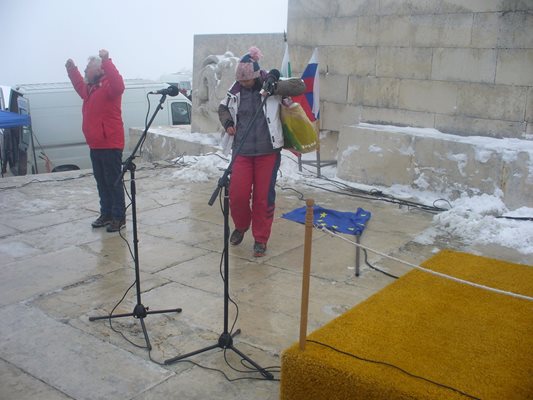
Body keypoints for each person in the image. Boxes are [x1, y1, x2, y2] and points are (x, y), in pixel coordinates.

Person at [218, 46, 305, 257]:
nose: (244, 84)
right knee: (237, 195)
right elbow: (222, 108)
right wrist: (228, 122)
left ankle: (261, 238)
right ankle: (241, 226)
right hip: (242, 152)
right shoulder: (236, 89)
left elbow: (299, 86)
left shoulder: (270, 85)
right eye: (241, 81)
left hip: (267, 152)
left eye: (247, 81)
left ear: (256, 76)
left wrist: (275, 85)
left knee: (262, 197)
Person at [65, 49, 126, 232]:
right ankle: (106, 214)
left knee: (113, 182)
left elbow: (119, 85)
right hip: (96, 144)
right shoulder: (90, 88)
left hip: (110, 144)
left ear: (98, 70)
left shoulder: (109, 86)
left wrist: (107, 60)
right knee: (102, 182)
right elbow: (78, 85)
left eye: (86, 69)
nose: (84, 72)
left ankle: (118, 217)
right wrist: (71, 69)